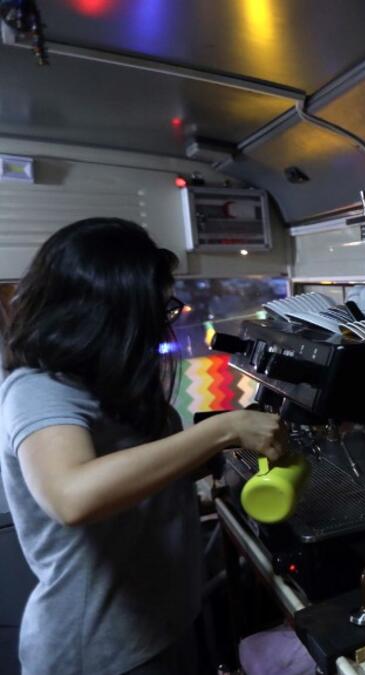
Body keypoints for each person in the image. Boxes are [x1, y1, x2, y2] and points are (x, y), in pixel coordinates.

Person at [0, 218, 287, 675]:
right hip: (99, 653)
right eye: (155, 306)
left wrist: (227, 454)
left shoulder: (109, 382)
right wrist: (223, 430)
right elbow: (73, 496)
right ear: (105, 310)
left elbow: (139, 473)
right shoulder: (38, 389)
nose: (162, 320)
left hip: (163, 627)